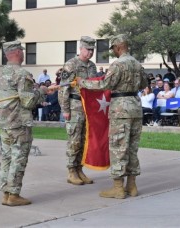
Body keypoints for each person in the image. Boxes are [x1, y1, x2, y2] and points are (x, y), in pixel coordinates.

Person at [77, 34, 147, 199]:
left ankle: (118, 188)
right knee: (132, 148)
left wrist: (83, 83)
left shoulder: (118, 64)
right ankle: (132, 185)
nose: (114, 52)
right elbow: (144, 83)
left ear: (119, 46)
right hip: (136, 107)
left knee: (118, 147)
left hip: (120, 109)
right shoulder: (137, 64)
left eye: (114, 48)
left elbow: (104, 84)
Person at [0, 41, 47, 207]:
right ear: (18, 52)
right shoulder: (22, 73)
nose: (23, 54)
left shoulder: (2, 73)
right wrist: (42, 92)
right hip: (18, 123)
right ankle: (14, 195)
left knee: (7, 157)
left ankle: (5, 193)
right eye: (22, 51)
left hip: (4, 123)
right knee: (18, 158)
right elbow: (28, 101)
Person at [58, 36, 97, 186]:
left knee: (84, 139)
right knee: (74, 139)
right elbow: (63, 88)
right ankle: (71, 170)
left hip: (88, 108)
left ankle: (80, 169)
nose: (90, 53)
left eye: (92, 50)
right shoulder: (71, 64)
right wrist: (65, 109)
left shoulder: (92, 66)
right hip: (74, 106)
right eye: (88, 50)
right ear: (81, 49)